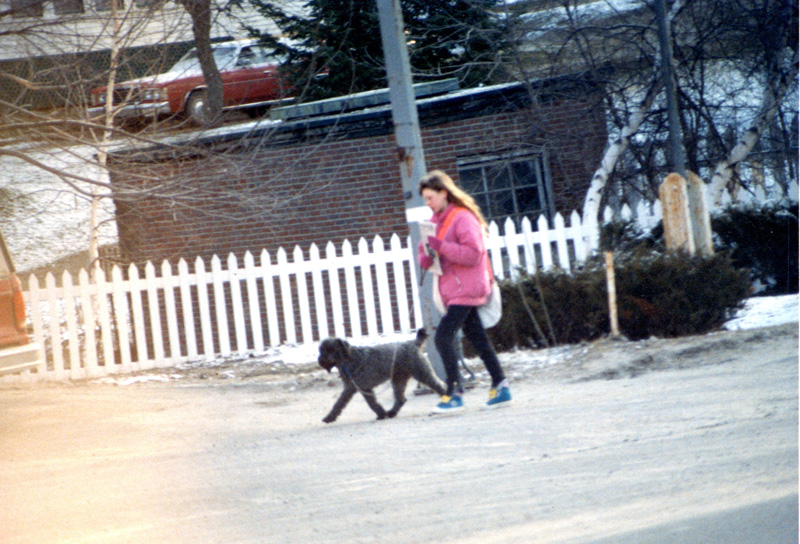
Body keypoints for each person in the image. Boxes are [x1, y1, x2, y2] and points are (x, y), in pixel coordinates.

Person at [417, 170, 511, 413]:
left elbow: (473, 254)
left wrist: (442, 247)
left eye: (430, 198)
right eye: (425, 199)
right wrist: (426, 257)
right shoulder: (434, 222)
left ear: (443, 193)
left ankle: (455, 392)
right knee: (477, 337)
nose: (427, 203)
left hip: (466, 287)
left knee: (443, 337)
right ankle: (501, 385)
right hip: (455, 288)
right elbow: (425, 255)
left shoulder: (462, 218)